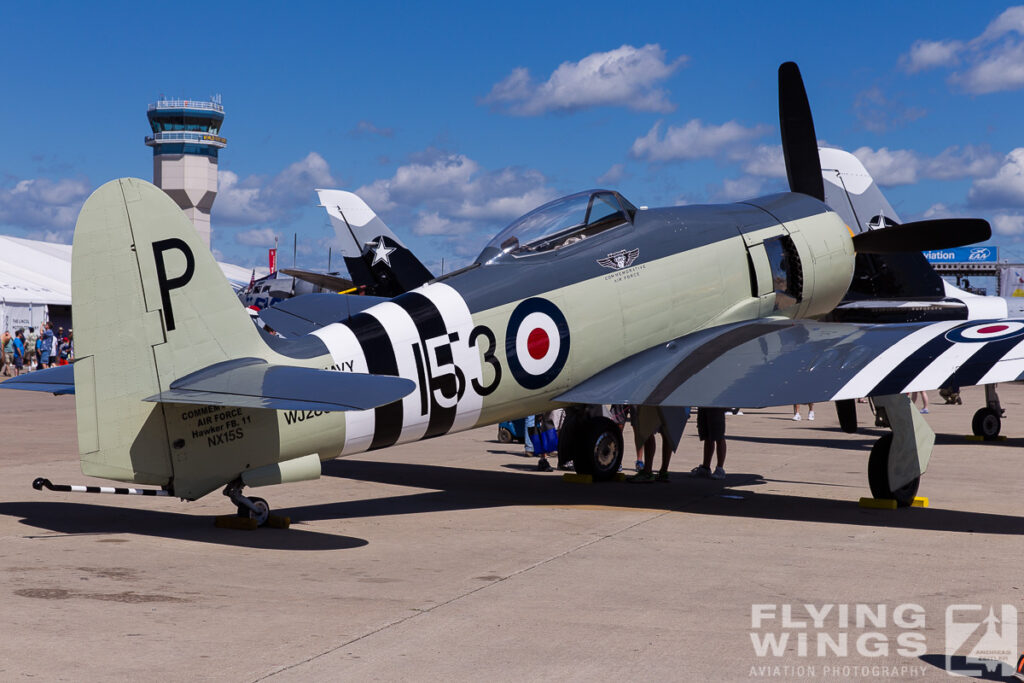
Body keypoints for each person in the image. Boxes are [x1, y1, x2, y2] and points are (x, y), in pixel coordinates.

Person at [692, 407, 728, 480]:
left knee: (719, 435)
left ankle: (720, 469)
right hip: (703, 403)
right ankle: (706, 467)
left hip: (716, 404)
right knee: (707, 435)